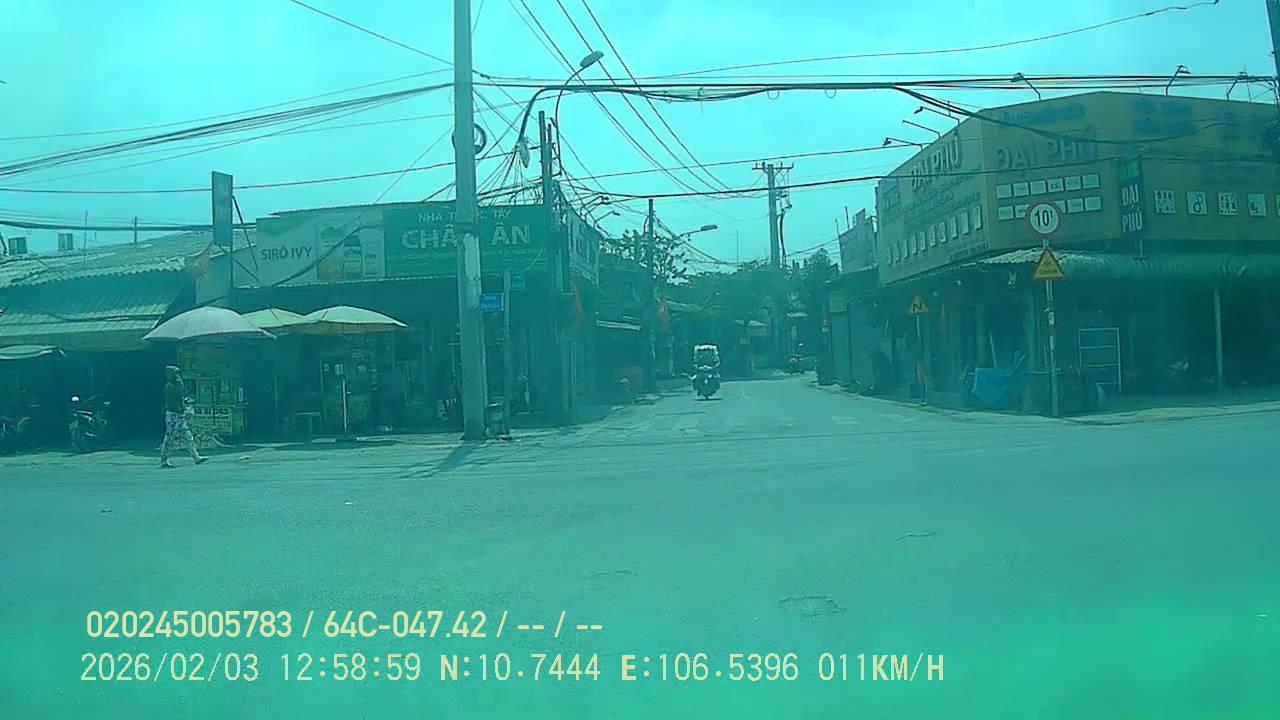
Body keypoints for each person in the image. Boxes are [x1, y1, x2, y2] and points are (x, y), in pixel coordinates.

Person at [160, 366, 207, 469]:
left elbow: (181, 395)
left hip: (180, 415)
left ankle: (196, 457)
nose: (178, 376)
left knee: (188, 437)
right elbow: (176, 400)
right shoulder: (169, 386)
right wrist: (184, 408)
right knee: (169, 438)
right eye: (176, 374)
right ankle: (163, 461)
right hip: (173, 415)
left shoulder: (177, 385)